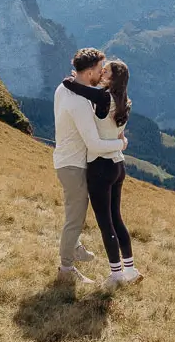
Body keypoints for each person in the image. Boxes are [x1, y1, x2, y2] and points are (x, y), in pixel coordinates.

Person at [61, 59, 143, 289]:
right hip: (118, 166)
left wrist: (72, 76)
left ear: (112, 77)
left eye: (104, 71)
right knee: (117, 219)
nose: (101, 73)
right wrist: (121, 143)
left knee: (105, 223)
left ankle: (115, 275)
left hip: (100, 166)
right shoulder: (125, 101)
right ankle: (130, 269)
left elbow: (73, 86)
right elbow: (119, 136)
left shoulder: (103, 97)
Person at [52, 48, 127, 285]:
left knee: (76, 210)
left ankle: (74, 246)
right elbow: (93, 143)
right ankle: (66, 268)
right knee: (75, 216)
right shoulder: (80, 104)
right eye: (100, 70)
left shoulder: (63, 88)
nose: (101, 74)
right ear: (92, 71)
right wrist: (120, 144)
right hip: (73, 163)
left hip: (67, 159)